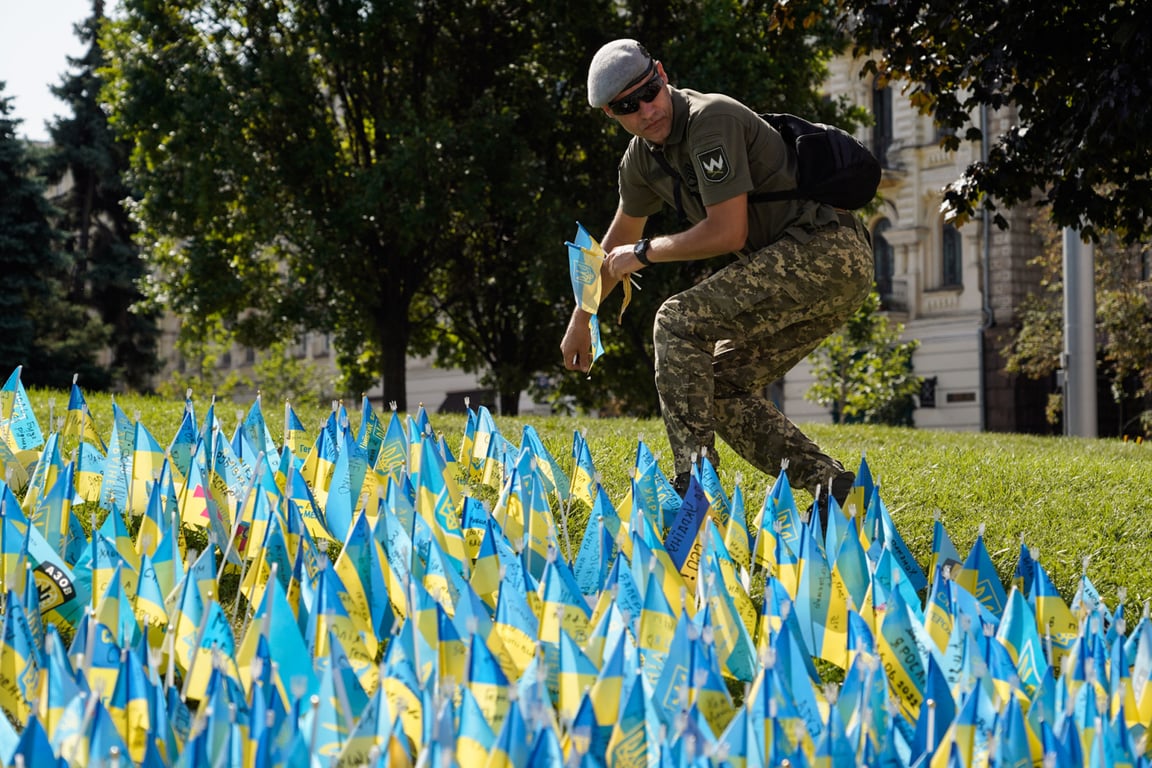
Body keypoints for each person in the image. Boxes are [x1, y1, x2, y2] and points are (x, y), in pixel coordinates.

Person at [559, 38, 873, 516]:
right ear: (611, 114)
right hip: (800, 263)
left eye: (650, 90)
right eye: (627, 105)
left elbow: (728, 232)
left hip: (829, 250)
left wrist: (643, 253)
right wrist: (581, 319)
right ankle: (831, 488)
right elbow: (610, 245)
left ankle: (693, 489)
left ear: (662, 73)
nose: (646, 109)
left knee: (677, 320)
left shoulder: (711, 119)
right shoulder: (641, 162)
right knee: (718, 384)